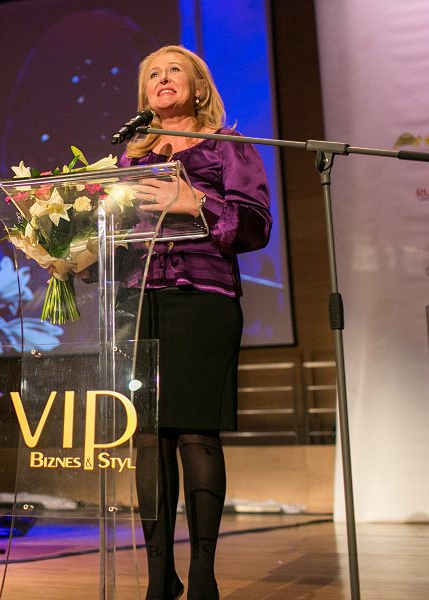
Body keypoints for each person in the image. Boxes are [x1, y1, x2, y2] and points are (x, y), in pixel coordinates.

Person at [120, 45, 272, 599]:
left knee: (195, 432)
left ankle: (204, 572)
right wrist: (75, 252)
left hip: (204, 300)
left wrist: (196, 203)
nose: (162, 80)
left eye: (173, 71)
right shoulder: (129, 157)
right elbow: (115, 232)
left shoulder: (227, 145)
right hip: (141, 302)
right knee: (149, 439)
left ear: (199, 86)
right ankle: (161, 576)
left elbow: (255, 227)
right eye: (152, 75)